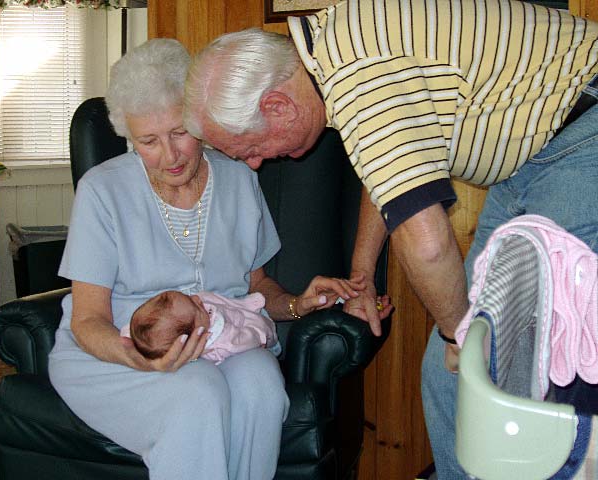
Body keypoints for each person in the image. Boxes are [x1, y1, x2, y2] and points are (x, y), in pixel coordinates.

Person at [182, 1, 598, 477]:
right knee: (451, 375)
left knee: (528, 364)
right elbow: (382, 175)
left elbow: (428, 244)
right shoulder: (325, 55)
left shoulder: (360, 82)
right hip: (534, 159)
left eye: (252, 149)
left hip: (584, 139)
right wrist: (362, 277)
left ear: (277, 105)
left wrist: (457, 334)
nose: (256, 164)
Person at [47, 38, 365, 480]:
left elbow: (256, 286)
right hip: (120, 348)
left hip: (223, 336)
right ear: (129, 138)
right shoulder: (103, 191)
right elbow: (87, 321)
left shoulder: (238, 178)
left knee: (262, 389)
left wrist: (297, 304)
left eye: (179, 133)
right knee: (197, 392)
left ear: (200, 121)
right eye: (149, 141)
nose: (170, 155)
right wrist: (141, 359)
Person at [121, 290, 279, 365]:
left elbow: (135, 331)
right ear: (195, 336)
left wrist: (134, 337)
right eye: (194, 305)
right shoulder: (223, 340)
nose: (196, 298)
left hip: (227, 311)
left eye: (188, 297)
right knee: (259, 327)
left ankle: (243, 304)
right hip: (247, 332)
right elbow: (245, 339)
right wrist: (258, 334)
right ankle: (252, 316)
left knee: (208, 298)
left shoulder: (151, 333)